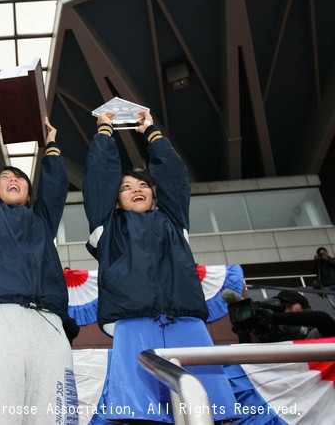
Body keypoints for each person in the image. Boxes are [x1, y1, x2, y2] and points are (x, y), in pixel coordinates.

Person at [82, 110, 237, 423]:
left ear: (153, 194)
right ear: (114, 201)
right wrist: (104, 131)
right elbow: (99, 176)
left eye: (143, 185)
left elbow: (174, 176)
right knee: (144, 416)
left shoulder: (174, 221)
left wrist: (151, 132)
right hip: (132, 322)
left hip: (186, 321)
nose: (138, 189)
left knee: (206, 411)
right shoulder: (106, 227)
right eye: (126, 187)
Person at [0, 95, 79, 424]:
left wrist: (50, 143)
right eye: (6, 178)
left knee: (55, 415)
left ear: (29, 191)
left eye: (21, 179)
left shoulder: (42, 221)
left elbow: (55, 187)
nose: (14, 180)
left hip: (48, 323)